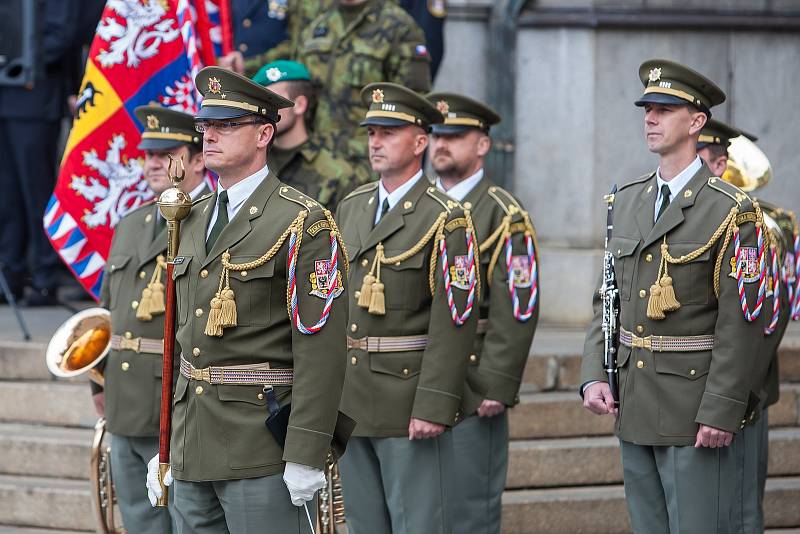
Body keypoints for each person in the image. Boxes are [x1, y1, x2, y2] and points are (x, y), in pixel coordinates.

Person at [144, 66, 350, 533]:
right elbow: (179, 339)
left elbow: (321, 350)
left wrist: (306, 451)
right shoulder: (189, 217)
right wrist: (167, 445)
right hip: (192, 441)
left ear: (263, 134)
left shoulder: (304, 222)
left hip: (260, 445)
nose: (209, 135)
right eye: (205, 126)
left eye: (225, 125)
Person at [580, 59, 767, 534]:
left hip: (693, 405)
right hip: (634, 399)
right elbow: (608, 297)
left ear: (697, 122)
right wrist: (592, 374)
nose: (650, 117)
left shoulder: (732, 211)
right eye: (647, 108)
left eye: (665, 109)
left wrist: (723, 407)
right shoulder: (626, 199)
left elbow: (741, 322)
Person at [334, 82, 478, 533]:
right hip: (351, 397)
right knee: (363, 523)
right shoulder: (352, 206)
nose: (375, 141)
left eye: (389, 132)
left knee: (416, 522)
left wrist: (435, 403)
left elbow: (455, 318)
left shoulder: (446, 215)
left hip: (406, 396)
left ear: (420, 142)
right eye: (372, 131)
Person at [91, 104, 208, 532]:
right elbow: (107, 311)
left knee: (185, 520)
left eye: (167, 153)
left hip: (175, 399)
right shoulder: (131, 223)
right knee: (139, 521)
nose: (154, 162)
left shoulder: (211, 219)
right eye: (148, 154)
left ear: (198, 160)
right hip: (123, 397)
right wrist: (97, 379)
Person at [427, 91, 539, 533]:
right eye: (436, 135)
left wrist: (497, 380)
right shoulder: (421, 205)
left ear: (483, 145)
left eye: (455, 136)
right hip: (417, 376)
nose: (441, 144)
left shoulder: (503, 214)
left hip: (473, 377)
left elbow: (519, 304)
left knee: (469, 508)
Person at [701, 124, 795, 533]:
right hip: (690, 385)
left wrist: (736, 390)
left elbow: (765, 317)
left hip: (741, 387)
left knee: (739, 509)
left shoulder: (762, 225)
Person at [0, 0, 81, 305]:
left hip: (35, 95)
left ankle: (45, 276)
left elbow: (63, 34)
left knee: (36, 190)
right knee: (6, 196)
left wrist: (20, 58)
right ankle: (11, 273)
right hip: (5, 95)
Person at [297, 0, 431, 176]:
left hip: (367, 167)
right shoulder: (316, 25)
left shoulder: (399, 26)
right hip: (316, 166)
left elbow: (413, 107)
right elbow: (299, 95)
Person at [251, 60, 366, 208]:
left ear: (299, 105)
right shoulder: (248, 163)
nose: (263, 110)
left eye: (272, 101)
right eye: (260, 103)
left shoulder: (338, 174)